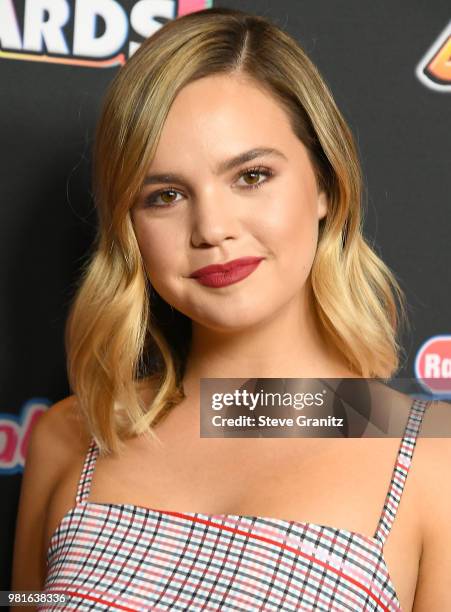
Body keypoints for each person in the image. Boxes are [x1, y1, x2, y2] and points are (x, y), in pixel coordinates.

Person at [11, 7, 450, 611]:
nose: (212, 229)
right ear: (129, 226)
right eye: (165, 195)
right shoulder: (71, 436)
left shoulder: (434, 463)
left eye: (251, 176)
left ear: (326, 184)